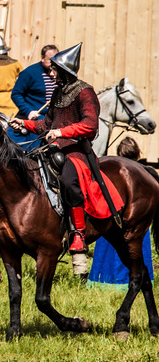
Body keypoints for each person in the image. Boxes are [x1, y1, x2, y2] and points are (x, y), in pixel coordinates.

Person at [9, 42, 125, 280]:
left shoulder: (85, 91)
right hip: (52, 148)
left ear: (64, 71)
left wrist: (62, 133)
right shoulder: (58, 93)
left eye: (54, 70)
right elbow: (46, 124)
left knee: (69, 179)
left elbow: (91, 125)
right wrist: (25, 124)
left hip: (76, 151)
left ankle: (79, 234)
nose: (50, 73)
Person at [87, 137, 155, 289]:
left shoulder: (111, 174)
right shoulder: (143, 175)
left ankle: (104, 280)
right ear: (137, 154)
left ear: (119, 153)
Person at [9, 45, 58, 149]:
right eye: (50, 59)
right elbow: (16, 94)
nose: (53, 62)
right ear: (42, 58)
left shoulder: (60, 73)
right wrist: (28, 111)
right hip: (35, 118)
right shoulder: (29, 73)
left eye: (56, 59)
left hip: (55, 119)